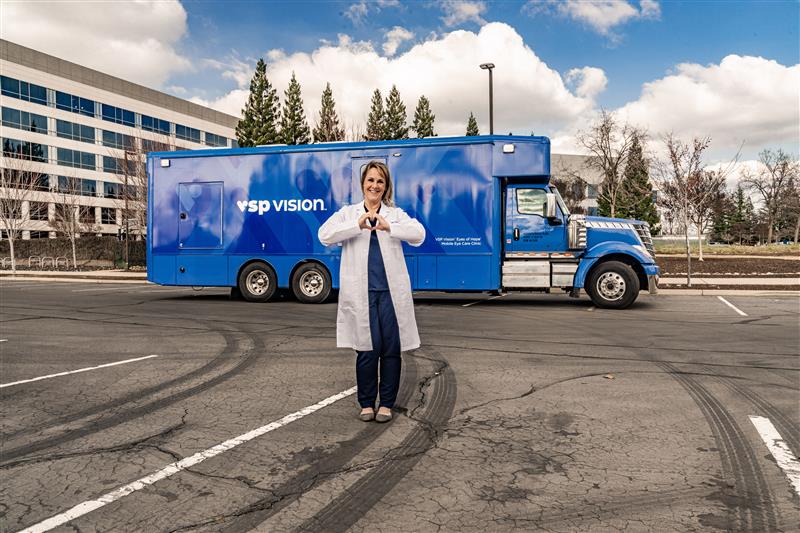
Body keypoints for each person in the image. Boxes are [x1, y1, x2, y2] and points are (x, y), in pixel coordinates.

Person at [318, 161, 425, 423]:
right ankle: (366, 403)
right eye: (370, 180)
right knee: (367, 348)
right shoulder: (349, 213)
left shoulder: (395, 214)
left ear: (385, 186)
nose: (374, 185)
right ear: (362, 184)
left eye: (380, 181)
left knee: (391, 348)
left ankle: (386, 404)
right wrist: (358, 224)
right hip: (361, 293)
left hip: (390, 294)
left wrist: (389, 227)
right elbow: (325, 235)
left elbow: (419, 234)